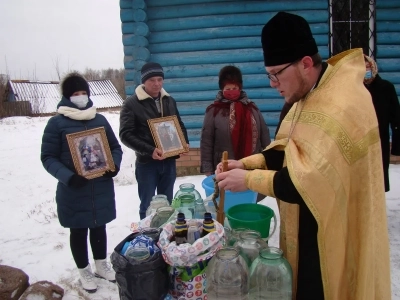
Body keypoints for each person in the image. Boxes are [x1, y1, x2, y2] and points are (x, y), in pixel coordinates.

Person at [215, 12, 391, 299]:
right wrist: (246, 163)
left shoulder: (342, 103)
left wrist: (249, 180)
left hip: (334, 237)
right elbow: (289, 150)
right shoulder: (309, 94)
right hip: (306, 227)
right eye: (268, 75)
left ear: (306, 64)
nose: (273, 83)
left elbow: (305, 181)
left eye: (276, 74)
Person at [40, 73, 123, 293]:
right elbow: (48, 157)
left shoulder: (99, 119)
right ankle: (84, 270)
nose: (81, 97)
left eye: (84, 93)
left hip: (101, 186)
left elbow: (114, 147)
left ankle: (100, 264)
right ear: (67, 97)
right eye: (76, 94)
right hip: (74, 189)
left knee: (99, 226)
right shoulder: (57, 123)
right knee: (78, 230)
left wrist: (113, 165)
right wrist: (68, 177)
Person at [119, 62, 189, 219]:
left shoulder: (169, 100)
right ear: (143, 81)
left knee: (167, 204)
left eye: (159, 79)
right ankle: (148, 237)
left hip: (169, 162)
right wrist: (150, 150)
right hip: (147, 164)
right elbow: (125, 134)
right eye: (152, 80)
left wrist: (184, 142)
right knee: (148, 206)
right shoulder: (131, 104)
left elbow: (179, 124)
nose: (157, 84)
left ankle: (165, 237)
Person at [200, 65, 271, 176]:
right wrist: (208, 168)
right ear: (222, 89)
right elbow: (206, 141)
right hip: (225, 167)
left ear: (240, 88)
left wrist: (269, 160)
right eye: (228, 89)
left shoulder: (252, 109)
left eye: (234, 88)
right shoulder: (213, 111)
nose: (231, 91)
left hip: (252, 168)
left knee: (251, 192)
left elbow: (264, 135)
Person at [364, 54, 400, 192]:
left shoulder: (386, 88)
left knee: (378, 176)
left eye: (368, 67)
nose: (366, 70)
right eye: (362, 68)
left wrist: (396, 146)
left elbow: (396, 117)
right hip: (360, 142)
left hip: (380, 140)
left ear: (373, 67)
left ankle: (378, 210)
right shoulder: (355, 89)